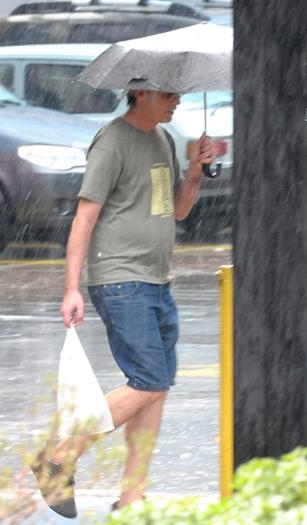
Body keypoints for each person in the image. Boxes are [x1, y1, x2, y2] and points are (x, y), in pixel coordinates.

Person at [31, 86, 216, 518]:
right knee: (148, 381)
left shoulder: (163, 140)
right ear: (140, 93)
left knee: (156, 389)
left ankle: (132, 495)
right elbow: (85, 215)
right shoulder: (112, 141)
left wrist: (194, 171)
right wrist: (72, 287)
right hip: (119, 279)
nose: (177, 101)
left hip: (157, 280)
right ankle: (59, 454)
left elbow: (176, 211)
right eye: (168, 94)